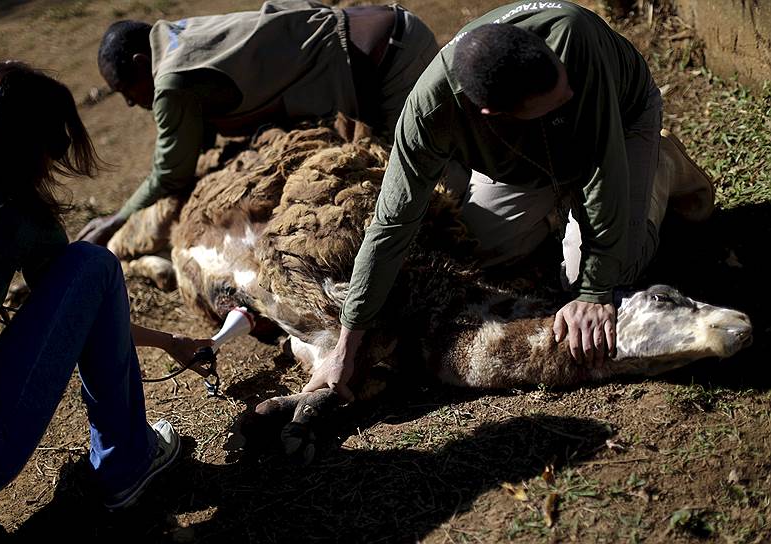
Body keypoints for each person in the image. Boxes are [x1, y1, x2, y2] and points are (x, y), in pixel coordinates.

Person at [302, 1, 714, 399]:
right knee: (484, 251)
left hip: (618, 125)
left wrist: (594, 293)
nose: (569, 90)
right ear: (493, 113)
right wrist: (346, 347)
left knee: (603, 268)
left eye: (562, 80)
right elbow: (391, 228)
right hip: (524, 159)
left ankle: (661, 164)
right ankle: (559, 202)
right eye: (557, 96)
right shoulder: (428, 115)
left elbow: (602, 169)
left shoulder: (571, 43)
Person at [0, 62, 214, 542]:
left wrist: (169, 340)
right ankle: (128, 463)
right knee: (91, 266)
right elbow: (88, 304)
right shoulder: (11, 211)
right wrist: (172, 340)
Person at [77, 0, 439, 245]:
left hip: (388, 65)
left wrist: (118, 219)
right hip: (388, 29)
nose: (129, 102)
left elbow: (171, 171)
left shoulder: (172, 80)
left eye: (127, 90)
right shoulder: (180, 33)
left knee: (421, 197)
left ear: (142, 62)